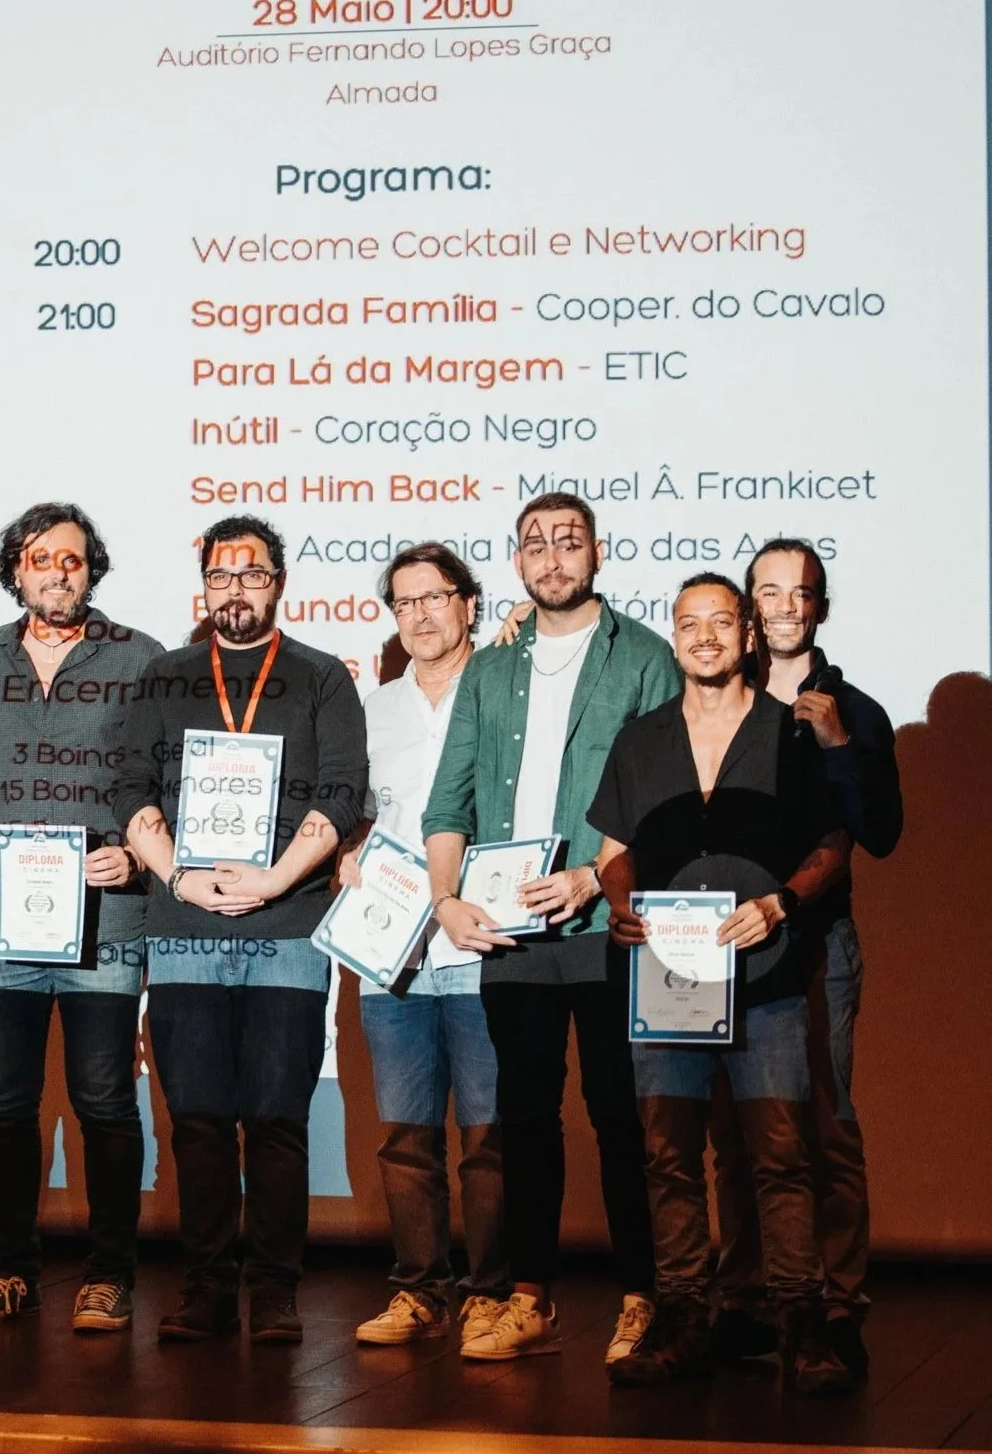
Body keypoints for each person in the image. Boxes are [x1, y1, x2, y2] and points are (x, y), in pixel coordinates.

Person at [423, 493, 679, 1364]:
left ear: (596, 553)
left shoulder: (644, 657)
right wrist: (445, 898)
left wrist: (592, 874)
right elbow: (448, 797)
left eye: (566, 542)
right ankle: (528, 1297)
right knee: (522, 1118)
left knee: (621, 1117)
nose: (550, 556)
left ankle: (646, 1297)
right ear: (517, 561)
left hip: (606, 922)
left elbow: (663, 795)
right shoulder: (491, 669)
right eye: (533, 544)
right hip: (507, 931)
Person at [592, 573, 854, 1394]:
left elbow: (832, 845)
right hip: (668, 980)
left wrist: (780, 904)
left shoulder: (792, 736)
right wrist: (620, 901)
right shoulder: (639, 741)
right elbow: (612, 852)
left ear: (747, 635)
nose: (703, 636)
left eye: (720, 622)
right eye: (687, 623)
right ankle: (680, 1318)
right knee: (669, 1153)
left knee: (778, 1153)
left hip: (768, 977)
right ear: (672, 639)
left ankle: (801, 1327)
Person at [113, 515, 368, 1345]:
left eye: (250, 575)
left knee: (274, 1118)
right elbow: (130, 788)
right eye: (220, 575)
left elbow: (340, 794)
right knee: (195, 1119)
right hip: (182, 925)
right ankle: (206, 1288)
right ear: (204, 586)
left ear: (278, 583)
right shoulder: (164, 676)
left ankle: (276, 1291)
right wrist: (178, 875)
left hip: (288, 928)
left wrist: (274, 879)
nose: (234, 589)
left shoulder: (321, 677)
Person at [0, 505, 163, 1333]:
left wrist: (138, 858)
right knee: (3, 1102)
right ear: (16, 571)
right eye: (41, 559)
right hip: (2, 923)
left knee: (104, 1098)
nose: (57, 572)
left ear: (90, 570)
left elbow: (166, 775)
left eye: (72, 560)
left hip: (108, 918)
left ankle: (109, 1275)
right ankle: (10, 1273)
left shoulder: (140, 657)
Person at [708, 538, 903, 1374]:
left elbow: (882, 835)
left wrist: (834, 748)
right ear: (750, 606)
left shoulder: (852, 709)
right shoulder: (718, 700)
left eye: (802, 592)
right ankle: (746, 1296)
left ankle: (834, 1302)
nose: (786, 605)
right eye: (770, 592)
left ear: (821, 606)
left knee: (820, 1126)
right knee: (732, 1130)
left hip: (815, 944)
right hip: (721, 948)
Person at [340, 544, 507, 1346]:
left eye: (434, 598)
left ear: (469, 604)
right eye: (403, 603)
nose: (419, 616)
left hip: (485, 942)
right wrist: (347, 851)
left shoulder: (506, 691)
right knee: (405, 1137)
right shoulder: (375, 711)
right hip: (394, 954)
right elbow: (358, 819)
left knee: (488, 1136)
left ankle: (490, 1290)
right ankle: (417, 1289)